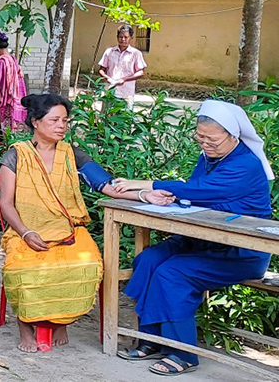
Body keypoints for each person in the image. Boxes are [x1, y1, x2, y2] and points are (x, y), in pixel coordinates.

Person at [112, 100, 275, 377]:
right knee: (148, 259)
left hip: (240, 250)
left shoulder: (246, 164)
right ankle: (152, 340)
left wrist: (149, 185)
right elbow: (191, 193)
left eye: (212, 139)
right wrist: (172, 195)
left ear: (233, 136)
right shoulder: (209, 157)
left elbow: (200, 190)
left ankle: (183, 353)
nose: (205, 144)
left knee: (174, 274)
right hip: (201, 239)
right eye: (200, 137)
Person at [0, 94, 118, 354]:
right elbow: (6, 203)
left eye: (65, 120)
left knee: (86, 263)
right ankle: (25, 327)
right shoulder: (16, 155)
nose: (61, 125)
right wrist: (26, 232)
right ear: (35, 122)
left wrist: (146, 193)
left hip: (68, 229)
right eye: (54, 120)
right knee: (22, 268)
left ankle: (62, 320)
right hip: (25, 230)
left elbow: (107, 185)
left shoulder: (72, 154)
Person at [98, 24, 147, 109]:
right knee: (108, 119)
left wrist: (124, 79)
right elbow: (101, 69)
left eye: (126, 37)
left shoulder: (136, 53)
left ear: (131, 38)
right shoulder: (109, 52)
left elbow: (141, 72)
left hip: (126, 94)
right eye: (120, 37)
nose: (123, 39)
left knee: (125, 119)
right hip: (110, 92)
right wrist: (107, 78)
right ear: (117, 37)